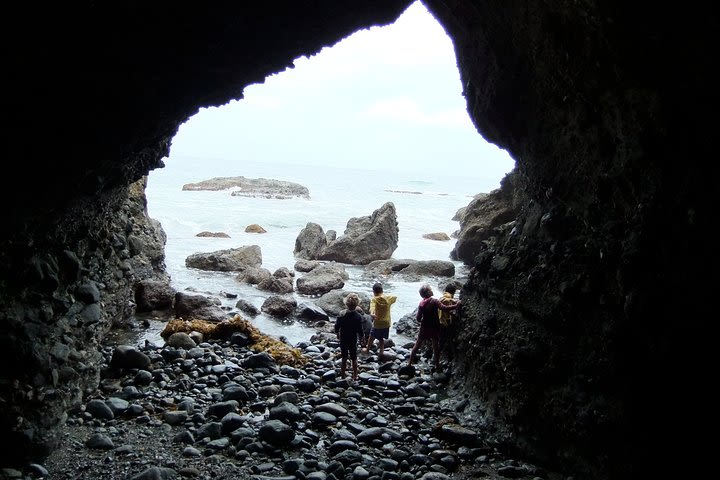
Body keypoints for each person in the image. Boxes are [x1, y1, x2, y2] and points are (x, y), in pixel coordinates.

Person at [408, 283, 458, 370]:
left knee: (417, 345)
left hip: (424, 327)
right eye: (430, 289)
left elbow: (418, 318)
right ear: (428, 292)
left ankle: (409, 363)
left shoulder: (421, 304)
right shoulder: (434, 301)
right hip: (434, 327)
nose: (432, 290)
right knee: (435, 346)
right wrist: (456, 306)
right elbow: (444, 308)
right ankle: (437, 365)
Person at [334, 293, 364, 380]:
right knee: (354, 358)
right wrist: (362, 338)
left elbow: (337, 326)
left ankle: (342, 375)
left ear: (346, 303)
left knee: (344, 357)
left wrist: (337, 333)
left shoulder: (342, 314)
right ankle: (355, 376)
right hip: (353, 339)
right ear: (357, 304)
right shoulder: (358, 317)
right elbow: (360, 330)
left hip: (343, 338)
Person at [364, 282, 397, 358]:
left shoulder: (374, 300)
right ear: (382, 290)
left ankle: (367, 349)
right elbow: (395, 297)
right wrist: (384, 296)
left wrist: (372, 313)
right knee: (381, 338)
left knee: (371, 336)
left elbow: (372, 308)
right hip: (386, 323)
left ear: (374, 292)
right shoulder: (388, 298)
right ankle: (381, 352)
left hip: (378, 323)